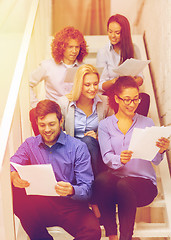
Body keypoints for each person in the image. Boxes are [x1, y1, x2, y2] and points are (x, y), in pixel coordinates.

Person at [10, 100, 101, 240]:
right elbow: (12, 164)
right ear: (37, 123)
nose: (47, 129)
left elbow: (87, 189)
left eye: (51, 124)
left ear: (61, 121)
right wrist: (13, 175)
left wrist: (71, 190)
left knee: (93, 231)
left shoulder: (78, 147)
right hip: (42, 206)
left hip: (72, 206)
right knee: (12, 186)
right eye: (42, 125)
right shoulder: (30, 145)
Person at [93, 76, 170, 240]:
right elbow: (107, 157)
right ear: (117, 99)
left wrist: (161, 150)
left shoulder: (147, 122)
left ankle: (126, 238)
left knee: (123, 185)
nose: (132, 104)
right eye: (127, 99)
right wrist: (120, 159)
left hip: (143, 185)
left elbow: (155, 160)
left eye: (135, 99)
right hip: (117, 182)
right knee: (101, 181)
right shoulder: (105, 125)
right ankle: (112, 235)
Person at [29, 26, 88, 135]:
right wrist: (35, 104)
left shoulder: (83, 67)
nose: (74, 51)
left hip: (75, 112)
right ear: (61, 47)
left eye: (77, 47)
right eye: (70, 47)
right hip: (53, 111)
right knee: (34, 113)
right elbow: (28, 84)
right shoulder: (47, 66)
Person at [57, 64, 112, 177]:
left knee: (88, 141)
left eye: (95, 84)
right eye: (87, 85)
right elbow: (58, 132)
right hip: (72, 151)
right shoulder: (64, 103)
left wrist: (98, 136)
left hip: (96, 150)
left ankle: (95, 181)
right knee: (83, 143)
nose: (92, 89)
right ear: (79, 85)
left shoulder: (105, 102)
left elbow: (113, 130)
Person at [96, 14, 150, 116]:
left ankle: (136, 129)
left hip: (129, 92)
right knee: (119, 101)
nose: (112, 35)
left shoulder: (134, 49)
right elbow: (100, 85)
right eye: (110, 31)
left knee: (145, 98)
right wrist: (116, 81)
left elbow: (140, 79)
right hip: (112, 93)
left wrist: (130, 81)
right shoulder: (103, 52)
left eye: (117, 32)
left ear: (124, 33)